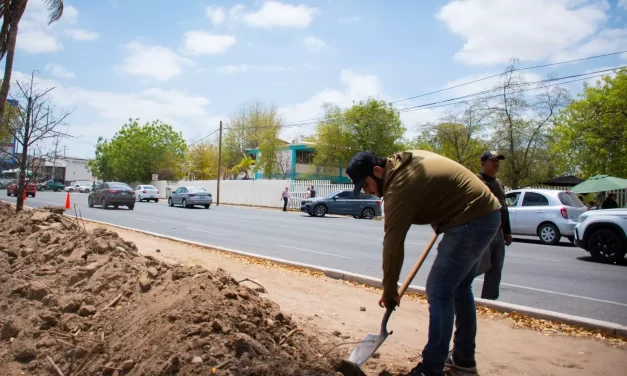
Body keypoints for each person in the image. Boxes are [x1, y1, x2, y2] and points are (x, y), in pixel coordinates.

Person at [346, 150, 501, 376]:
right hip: (483, 213)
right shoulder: (404, 164)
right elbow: (436, 191)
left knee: (439, 290)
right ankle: (463, 359)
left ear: (378, 172)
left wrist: (389, 290)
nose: (368, 191)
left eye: (366, 185)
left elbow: (393, 244)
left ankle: (431, 368)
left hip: (471, 219)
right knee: (458, 288)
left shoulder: (398, 185)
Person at [475, 151, 512, 300]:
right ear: (483, 163)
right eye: (492, 161)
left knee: (496, 269)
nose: (496, 164)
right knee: (476, 267)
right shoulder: (476, 180)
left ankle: (489, 302)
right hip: (482, 232)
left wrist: (507, 231)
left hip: (498, 233)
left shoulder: (499, 183)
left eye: (498, 161)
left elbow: (504, 208)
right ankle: (461, 294)